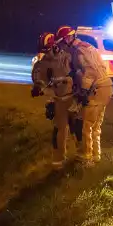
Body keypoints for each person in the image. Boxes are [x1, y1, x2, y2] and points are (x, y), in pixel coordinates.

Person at [56, 25, 113, 166]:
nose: (62, 47)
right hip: (106, 87)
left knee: (85, 125)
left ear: (68, 39)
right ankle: (95, 155)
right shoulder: (87, 46)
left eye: (62, 42)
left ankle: (86, 159)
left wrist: (82, 92)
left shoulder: (78, 51)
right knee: (95, 125)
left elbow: (88, 73)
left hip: (96, 90)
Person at [31, 32, 78, 169]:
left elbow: (78, 71)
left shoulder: (67, 55)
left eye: (47, 50)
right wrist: (38, 86)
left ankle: (82, 158)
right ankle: (58, 160)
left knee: (78, 128)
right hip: (59, 99)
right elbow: (38, 76)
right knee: (59, 129)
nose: (45, 54)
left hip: (74, 96)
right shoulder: (43, 63)